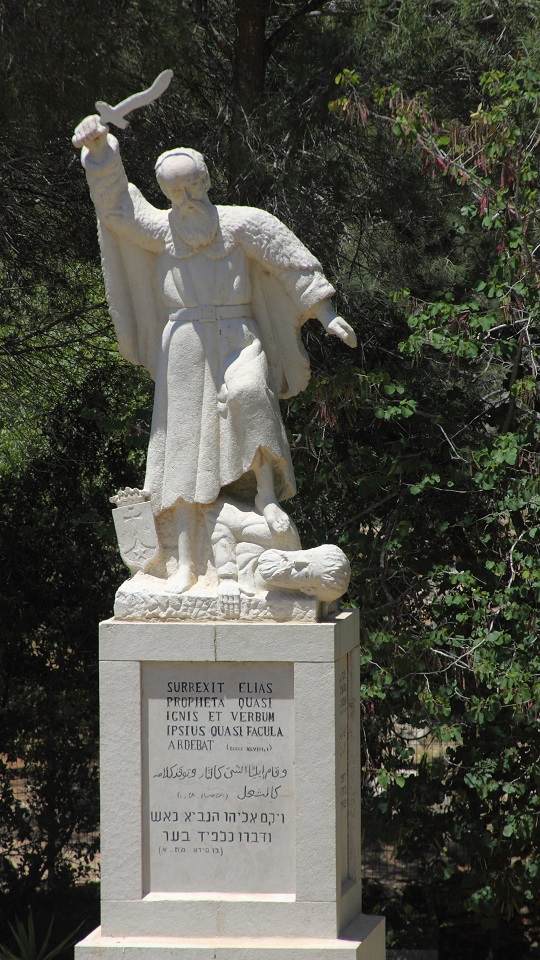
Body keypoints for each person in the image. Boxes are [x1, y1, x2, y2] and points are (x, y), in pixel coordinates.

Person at [73, 115, 356, 593]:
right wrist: (100, 152)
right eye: (174, 193)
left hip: (238, 336)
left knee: (250, 394)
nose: (184, 200)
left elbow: (289, 259)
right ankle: (186, 564)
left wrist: (326, 313)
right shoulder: (162, 229)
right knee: (184, 451)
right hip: (184, 344)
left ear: (205, 182)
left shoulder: (242, 223)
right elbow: (118, 207)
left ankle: (265, 493)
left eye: (190, 188)